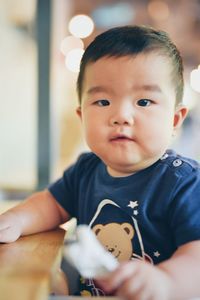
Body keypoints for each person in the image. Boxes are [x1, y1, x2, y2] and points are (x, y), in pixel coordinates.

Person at [1, 25, 200, 300]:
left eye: (143, 101)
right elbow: (51, 204)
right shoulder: (86, 170)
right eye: (103, 101)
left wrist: (166, 281)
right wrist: (16, 220)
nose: (121, 116)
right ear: (82, 116)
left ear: (174, 120)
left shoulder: (185, 182)